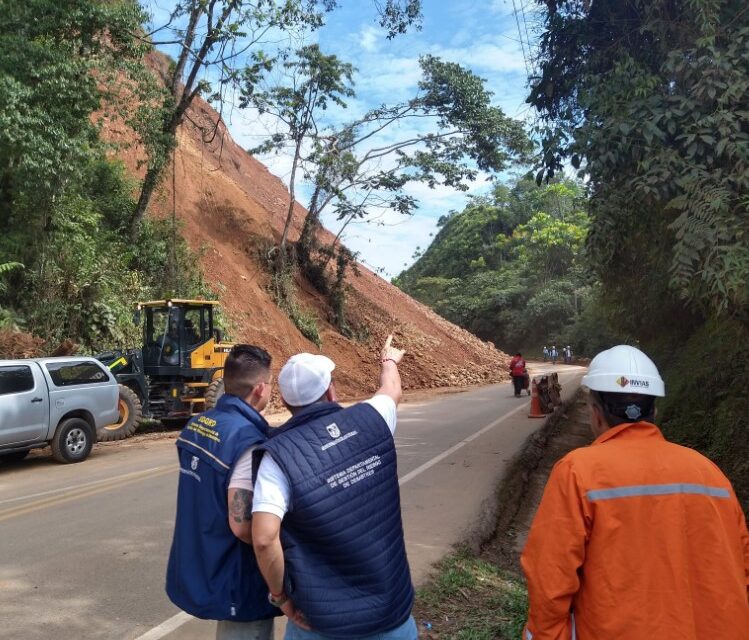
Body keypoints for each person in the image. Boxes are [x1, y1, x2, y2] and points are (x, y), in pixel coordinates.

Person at [521, 345, 749, 639]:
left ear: (595, 413)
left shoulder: (578, 472)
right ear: (654, 411)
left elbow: (550, 580)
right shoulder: (709, 473)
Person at [251, 336, 417, 640]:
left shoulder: (276, 458)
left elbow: (263, 538)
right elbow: (391, 389)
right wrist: (389, 360)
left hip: (320, 623)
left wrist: (281, 598)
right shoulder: (373, 417)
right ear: (331, 391)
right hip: (391, 615)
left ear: (286, 403)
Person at [166, 345, 280, 640]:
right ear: (259, 389)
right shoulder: (247, 441)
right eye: (270, 383)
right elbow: (243, 527)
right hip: (238, 578)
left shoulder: (197, 424)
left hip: (204, 560)